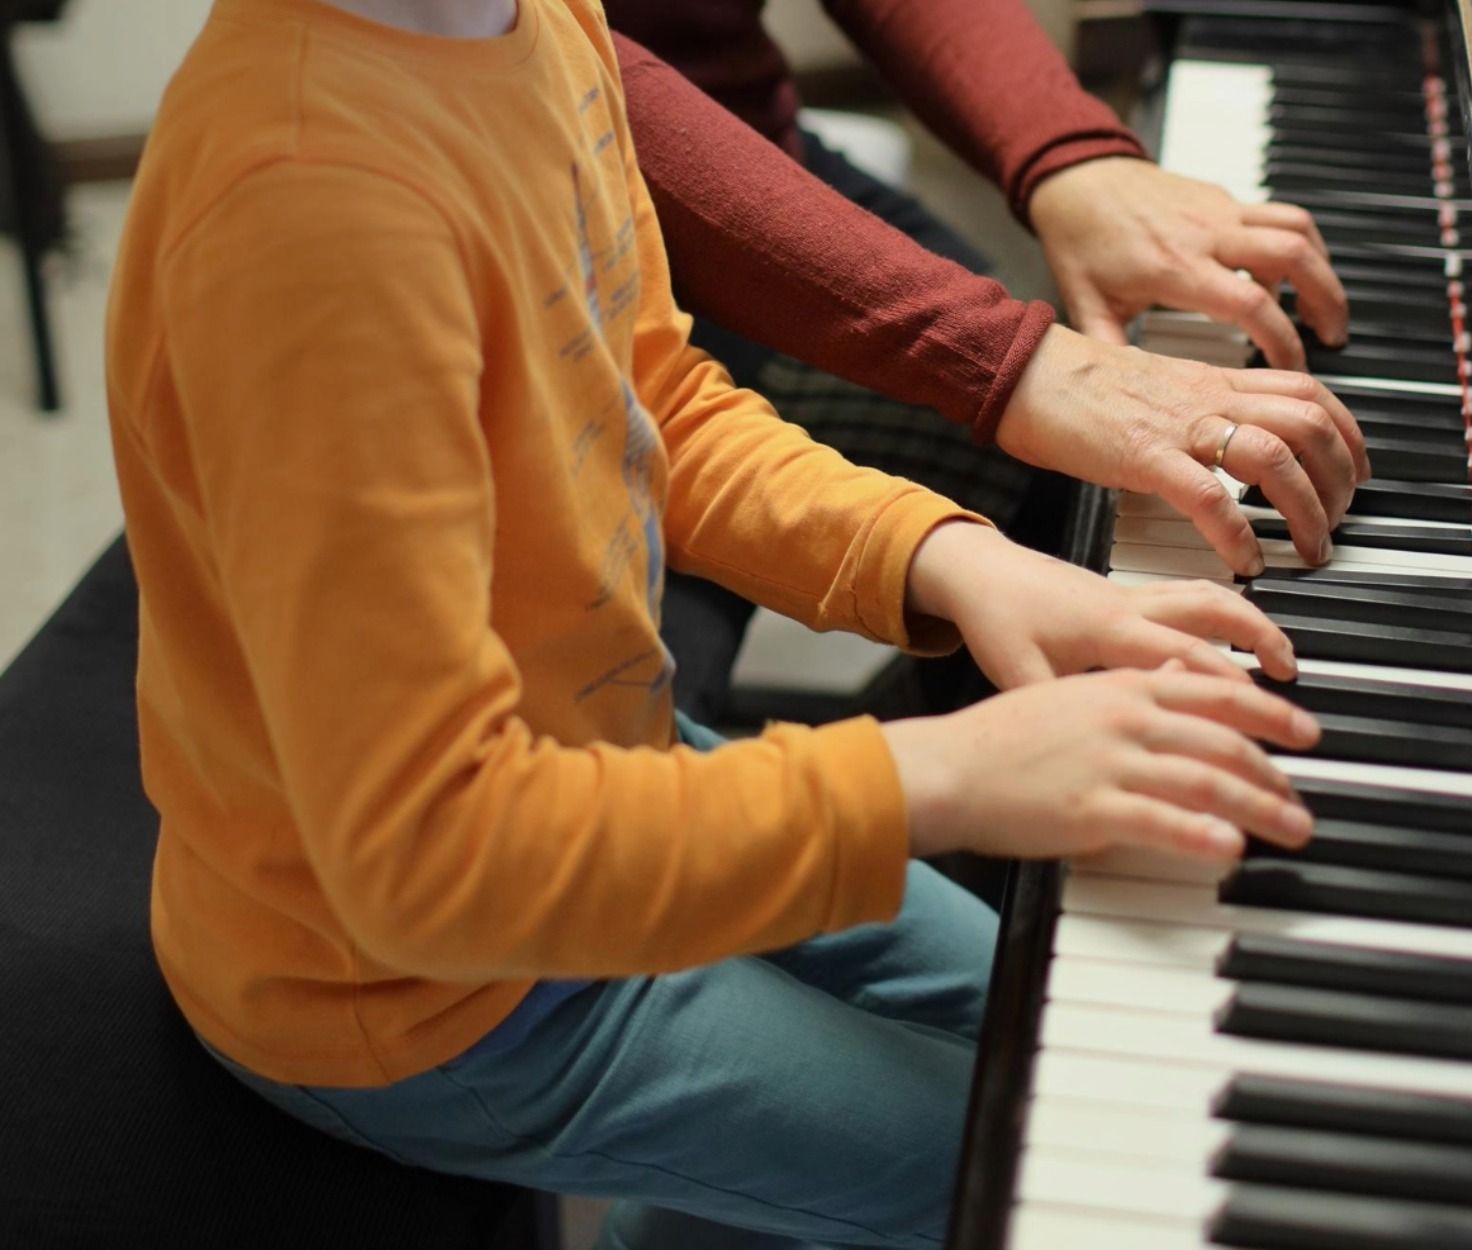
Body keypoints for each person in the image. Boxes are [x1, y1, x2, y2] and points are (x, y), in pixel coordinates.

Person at [104, 2, 1327, 1247]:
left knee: (1065, 1028)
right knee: (1061, 1163)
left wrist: (950, 558)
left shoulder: (531, 19)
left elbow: (653, 403)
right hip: (428, 992)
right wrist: (942, 776)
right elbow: (428, 852)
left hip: (614, 764)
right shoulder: (316, 200)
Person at [600, 5, 1367, 721]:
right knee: (644, 719)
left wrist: (1069, 158)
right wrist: (1012, 365)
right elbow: (578, 80)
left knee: (1076, 498)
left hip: (743, 146)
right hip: (596, 267)